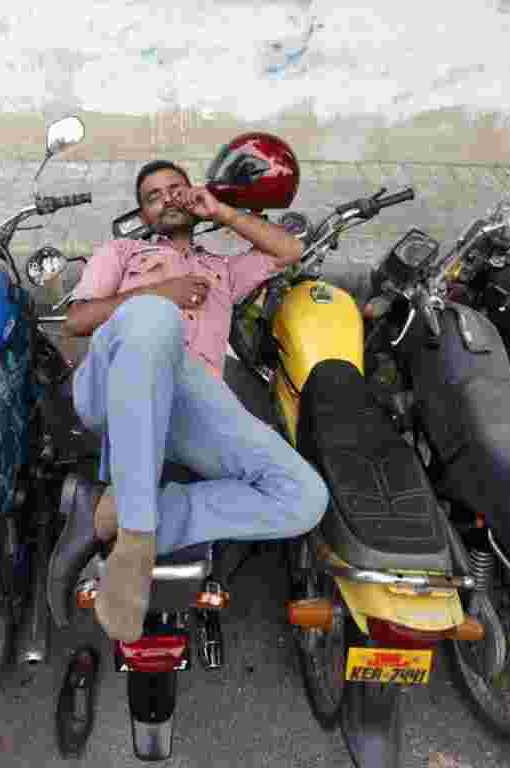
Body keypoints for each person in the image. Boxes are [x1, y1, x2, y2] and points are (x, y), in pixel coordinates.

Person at [46, 159, 329, 643]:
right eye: (153, 196)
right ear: (143, 214)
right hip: (116, 390)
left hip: (194, 404)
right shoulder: (121, 252)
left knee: (305, 498)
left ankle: (110, 514)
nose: (167, 198)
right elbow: (78, 319)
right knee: (155, 319)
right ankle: (136, 537)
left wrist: (223, 212)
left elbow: (289, 250)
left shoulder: (221, 268)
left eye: (176, 189)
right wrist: (162, 292)